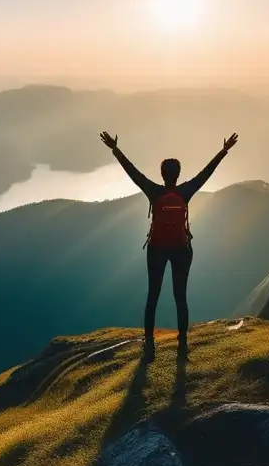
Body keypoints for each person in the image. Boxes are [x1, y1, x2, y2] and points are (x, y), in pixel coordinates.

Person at [99, 130, 238, 360]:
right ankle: (182, 347)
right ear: (178, 174)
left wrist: (115, 149)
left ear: (162, 175)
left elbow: (133, 173)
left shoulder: (154, 192)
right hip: (181, 249)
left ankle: (150, 346)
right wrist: (223, 151)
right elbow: (207, 173)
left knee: (152, 296)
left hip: (157, 249)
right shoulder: (185, 192)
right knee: (180, 297)